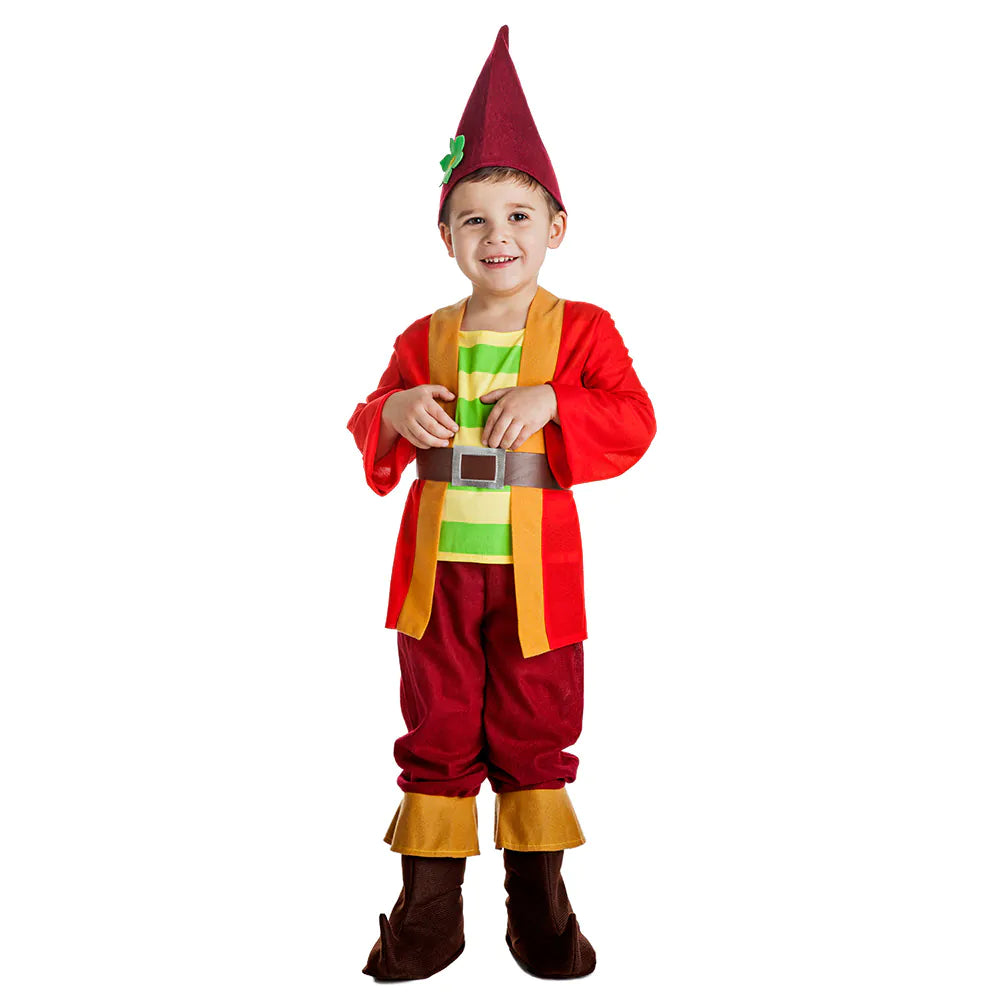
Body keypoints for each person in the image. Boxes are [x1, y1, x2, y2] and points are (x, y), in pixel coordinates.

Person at [347, 25, 656, 981]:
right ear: (446, 237)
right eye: (474, 219)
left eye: (520, 215)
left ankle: (539, 904)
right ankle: (429, 911)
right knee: (437, 724)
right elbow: (368, 420)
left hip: (536, 581)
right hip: (437, 578)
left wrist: (559, 400)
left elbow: (635, 420)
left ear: (556, 227)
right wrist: (393, 410)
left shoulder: (583, 331)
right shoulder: (422, 337)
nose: (498, 237)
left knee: (535, 725)